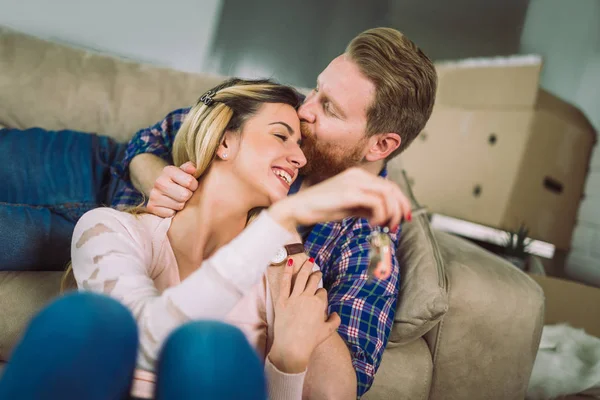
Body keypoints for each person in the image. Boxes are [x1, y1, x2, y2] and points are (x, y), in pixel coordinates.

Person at [0, 27, 437, 397]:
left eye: (328, 107)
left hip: (102, 236)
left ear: (381, 145)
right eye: (317, 88)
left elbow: (341, 375)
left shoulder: (368, 242)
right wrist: (157, 178)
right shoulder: (284, 110)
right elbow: (156, 136)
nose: (306, 110)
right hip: (104, 179)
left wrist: (291, 342)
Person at [67, 78, 411, 399]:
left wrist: (288, 362)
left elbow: (334, 392)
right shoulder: (110, 230)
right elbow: (140, 339)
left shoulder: (283, 266)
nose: (300, 157)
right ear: (225, 141)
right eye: (281, 136)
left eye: (300, 142)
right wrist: (283, 216)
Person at [0, 292, 269, 400]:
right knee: (87, 317)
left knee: (214, 346)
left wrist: (287, 364)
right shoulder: (125, 227)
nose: (300, 165)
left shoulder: (288, 264)